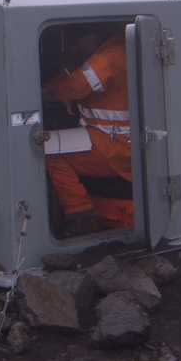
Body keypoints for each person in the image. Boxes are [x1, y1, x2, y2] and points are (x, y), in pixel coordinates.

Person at [42, 24, 131, 237]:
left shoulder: (111, 56)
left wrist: (62, 94)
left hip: (118, 148)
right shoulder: (109, 51)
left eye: (76, 40)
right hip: (110, 141)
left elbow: (80, 81)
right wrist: (51, 88)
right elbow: (73, 72)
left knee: (49, 153)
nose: (73, 47)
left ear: (95, 33)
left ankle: (81, 215)